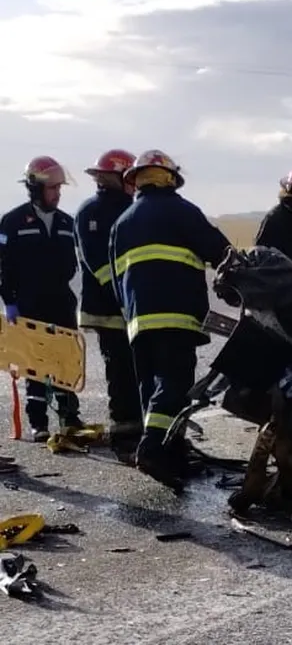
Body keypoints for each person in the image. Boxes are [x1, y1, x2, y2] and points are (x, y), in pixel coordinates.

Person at [109, 149, 232, 489]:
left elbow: (117, 281)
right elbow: (220, 253)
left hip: (137, 321)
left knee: (152, 389)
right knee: (174, 386)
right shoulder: (183, 212)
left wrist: (132, 315)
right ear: (170, 178)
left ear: (137, 181)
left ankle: (171, 453)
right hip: (177, 317)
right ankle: (151, 449)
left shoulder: (122, 223)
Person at [0, 156, 84, 441]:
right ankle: (39, 422)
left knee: (65, 362)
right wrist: (9, 300)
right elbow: (3, 266)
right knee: (34, 364)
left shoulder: (67, 222)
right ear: (35, 189)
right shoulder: (12, 222)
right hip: (28, 304)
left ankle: (70, 417)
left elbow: (73, 264)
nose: (57, 194)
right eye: (52, 189)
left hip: (61, 302)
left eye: (59, 188)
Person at [74, 149, 144, 464]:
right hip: (108, 309)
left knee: (137, 371)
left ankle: (142, 434)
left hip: (132, 307)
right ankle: (124, 438)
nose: (133, 183)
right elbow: (97, 264)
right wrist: (122, 292)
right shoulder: (91, 211)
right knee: (120, 372)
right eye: (128, 177)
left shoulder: (131, 208)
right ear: (113, 177)